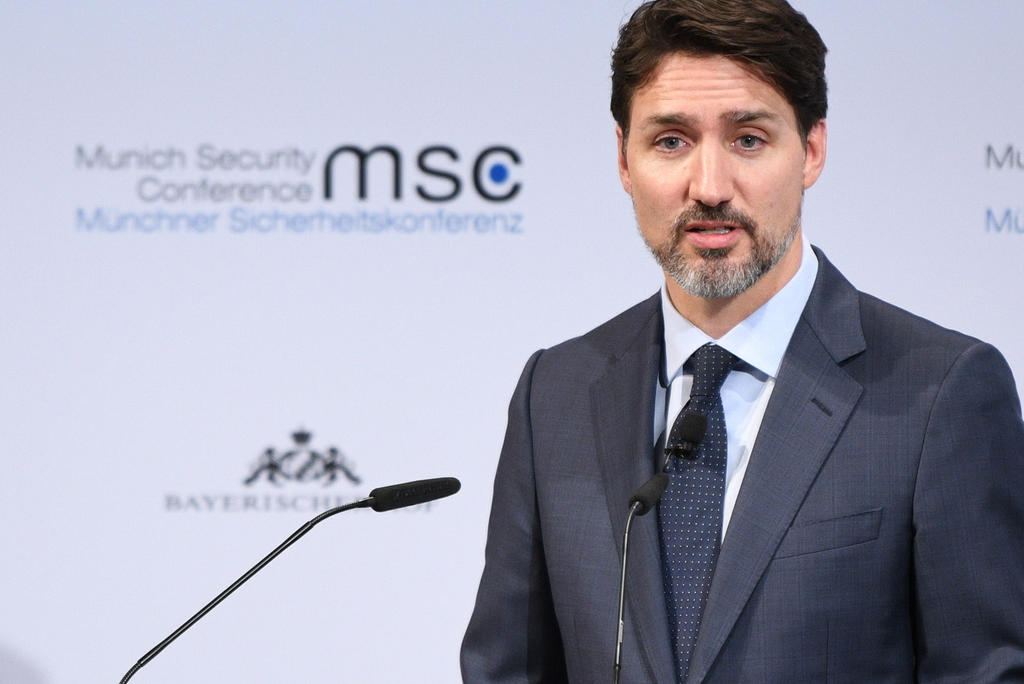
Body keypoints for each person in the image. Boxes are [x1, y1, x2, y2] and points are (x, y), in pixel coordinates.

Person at [460, 0, 1024, 682]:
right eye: (671, 141)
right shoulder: (555, 394)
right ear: (624, 159)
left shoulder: (940, 393)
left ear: (811, 149)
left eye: (748, 140)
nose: (709, 187)